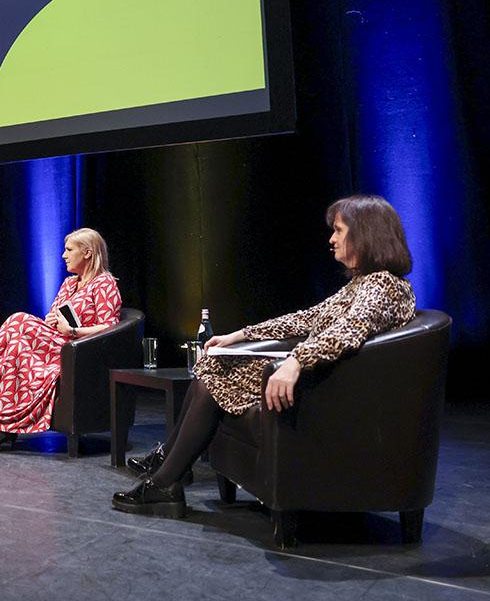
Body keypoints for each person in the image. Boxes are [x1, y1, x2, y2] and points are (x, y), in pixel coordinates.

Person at [112, 194, 416, 518]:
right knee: (212, 368)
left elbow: (348, 331)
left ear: (365, 234)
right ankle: (168, 470)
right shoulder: (362, 284)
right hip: (327, 383)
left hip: (333, 393)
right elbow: (305, 319)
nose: (332, 239)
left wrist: (296, 361)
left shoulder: (384, 286)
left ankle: (165, 477)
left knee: (213, 373)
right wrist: (239, 335)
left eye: (339, 230)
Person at [0, 228, 122, 452]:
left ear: (88, 253)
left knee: (19, 320)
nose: (64, 255)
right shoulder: (69, 284)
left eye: (69, 250)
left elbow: (110, 327)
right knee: (14, 345)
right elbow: (52, 317)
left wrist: (73, 330)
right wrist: (52, 320)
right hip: (54, 341)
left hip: (75, 351)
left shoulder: (104, 284)